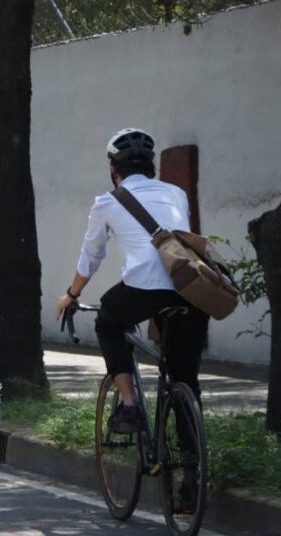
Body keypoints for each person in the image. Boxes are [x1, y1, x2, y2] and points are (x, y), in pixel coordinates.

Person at [54, 128, 210, 438]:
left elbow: (91, 257)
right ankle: (193, 471)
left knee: (108, 323)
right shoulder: (176, 193)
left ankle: (129, 404)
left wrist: (72, 294)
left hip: (143, 290)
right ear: (151, 166)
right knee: (184, 378)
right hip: (191, 290)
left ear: (113, 169)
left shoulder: (107, 202)